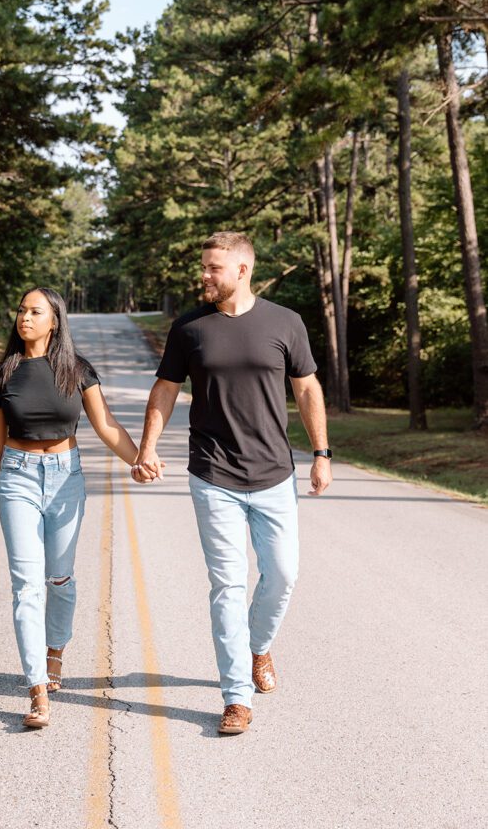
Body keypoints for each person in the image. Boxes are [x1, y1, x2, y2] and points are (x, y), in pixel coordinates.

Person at [134, 231, 332, 735]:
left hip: (274, 474)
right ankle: (236, 697)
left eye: (212, 268)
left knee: (283, 574)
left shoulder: (285, 322)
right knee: (228, 585)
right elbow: (165, 389)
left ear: (242, 270)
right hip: (213, 473)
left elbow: (306, 387)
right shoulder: (190, 328)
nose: (203, 275)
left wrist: (322, 454)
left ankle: (257, 647)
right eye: (203, 267)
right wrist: (148, 447)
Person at [0, 286, 144, 729]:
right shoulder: (4, 373)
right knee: (26, 586)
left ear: (55, 320)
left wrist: (139, 459)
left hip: (65, 477)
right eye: (21, 310)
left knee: (60, 578)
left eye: (35, 311)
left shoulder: (77, 370)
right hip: (17, 478)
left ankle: (55, 651)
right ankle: (36, 689)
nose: (25, 317)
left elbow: (107, 427)